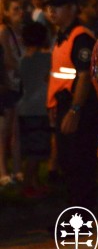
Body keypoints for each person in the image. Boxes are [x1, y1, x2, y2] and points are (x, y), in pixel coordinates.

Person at [47, 0, 98, 207]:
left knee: (79, 163)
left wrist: (74, 111)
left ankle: (79, 217)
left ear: (72, 9)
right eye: (49, 7)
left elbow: (84, 77)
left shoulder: (80, 37)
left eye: (57, 7)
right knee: (70, 164)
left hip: (82, 107)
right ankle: (77, 214)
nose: (51, 11)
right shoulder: (62, 36)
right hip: (68, 104)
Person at [17, 21, 52, 197]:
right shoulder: (47, 59)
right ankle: (27, 185)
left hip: (24, 108)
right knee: (37, 151)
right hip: (39, 109)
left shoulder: (22, 60)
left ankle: (35, 183)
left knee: (32, 149)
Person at [0, 0, 25, 186]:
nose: (20, 12)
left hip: (17, 84)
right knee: (5, 130)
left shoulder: (19, 31)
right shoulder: (4, 31)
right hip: (7, 85)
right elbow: (7, 60)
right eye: (15, 9)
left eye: (21, 8)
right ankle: (3, 172)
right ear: (5, 12)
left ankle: (17, 170)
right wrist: (26, 67)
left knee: (16, 129)